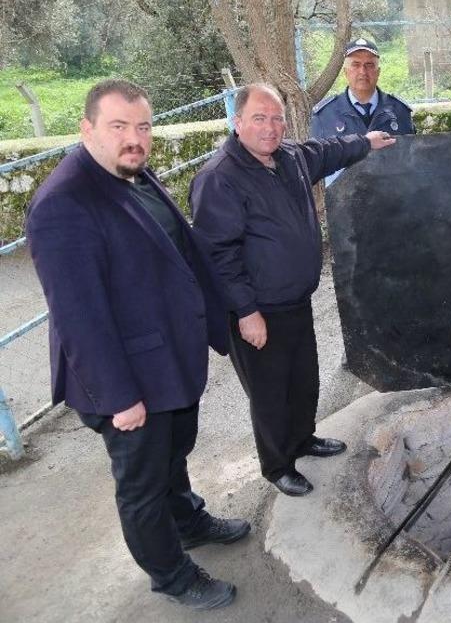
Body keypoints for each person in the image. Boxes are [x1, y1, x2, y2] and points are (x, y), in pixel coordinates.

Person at [26, 79, 248, 610]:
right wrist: (117, 396)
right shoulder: (62, 204)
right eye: (119, 126)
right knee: (142, 484)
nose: (135, 138)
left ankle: (188, 520)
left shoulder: (132, 172)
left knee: (173, 454)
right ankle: (171, 575)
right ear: (86, 130)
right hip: (127, 377)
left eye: (143, 126)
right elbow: (79, 318)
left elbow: (178, 250)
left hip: (167, 360)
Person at [190, 84, 395, 497]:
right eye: (259, 118)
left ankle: (303, 439)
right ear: (237, 122)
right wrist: (246, 312)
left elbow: (328, 150)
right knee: (269, 393)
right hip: (258, 311)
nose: (270, 127)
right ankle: (277, 464)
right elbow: (217, 255)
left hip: (296, 300)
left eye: (277, 118)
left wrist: (366, 142)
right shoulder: (219, 179)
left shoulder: (290, 158)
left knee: (303, 380)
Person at [311, 37, 414, 186]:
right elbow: (317, 168)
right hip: (345, 204)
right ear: (345, 72)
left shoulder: (400, 111)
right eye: (356, 64)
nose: (363, 71)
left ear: (378, 72)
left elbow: (410, 162)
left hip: (394, 201)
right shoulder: (325, 115)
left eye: (369, 65)